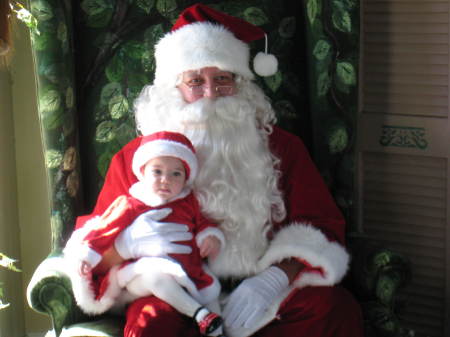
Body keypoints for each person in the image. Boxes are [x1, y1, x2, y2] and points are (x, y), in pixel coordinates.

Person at [63, 3, 364, 337]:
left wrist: (274, 278)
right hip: (174, 288)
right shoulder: (137, 158)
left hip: (264, 290)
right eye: (195, 81)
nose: (210, 94)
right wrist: (125, 248)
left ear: (242, 85)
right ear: (173, 90)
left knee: (334, 309)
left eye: (222, 79)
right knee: (151, 323)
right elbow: (95, 245)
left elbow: (321, 226)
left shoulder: (284, 148)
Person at [65, 130, 226, 336]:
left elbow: (203, 222)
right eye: (157, 172)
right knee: (155, 278)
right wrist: (87, 255)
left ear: (186, 178)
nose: (165, 180)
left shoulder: (189, 202)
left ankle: (216, 328)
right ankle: (201, 315)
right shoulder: (132, 203)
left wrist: (210, 236)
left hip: (190, 273)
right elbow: (103, 229)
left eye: (176, 173)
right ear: (142, 173)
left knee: (212, 293)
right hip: (142, 274)